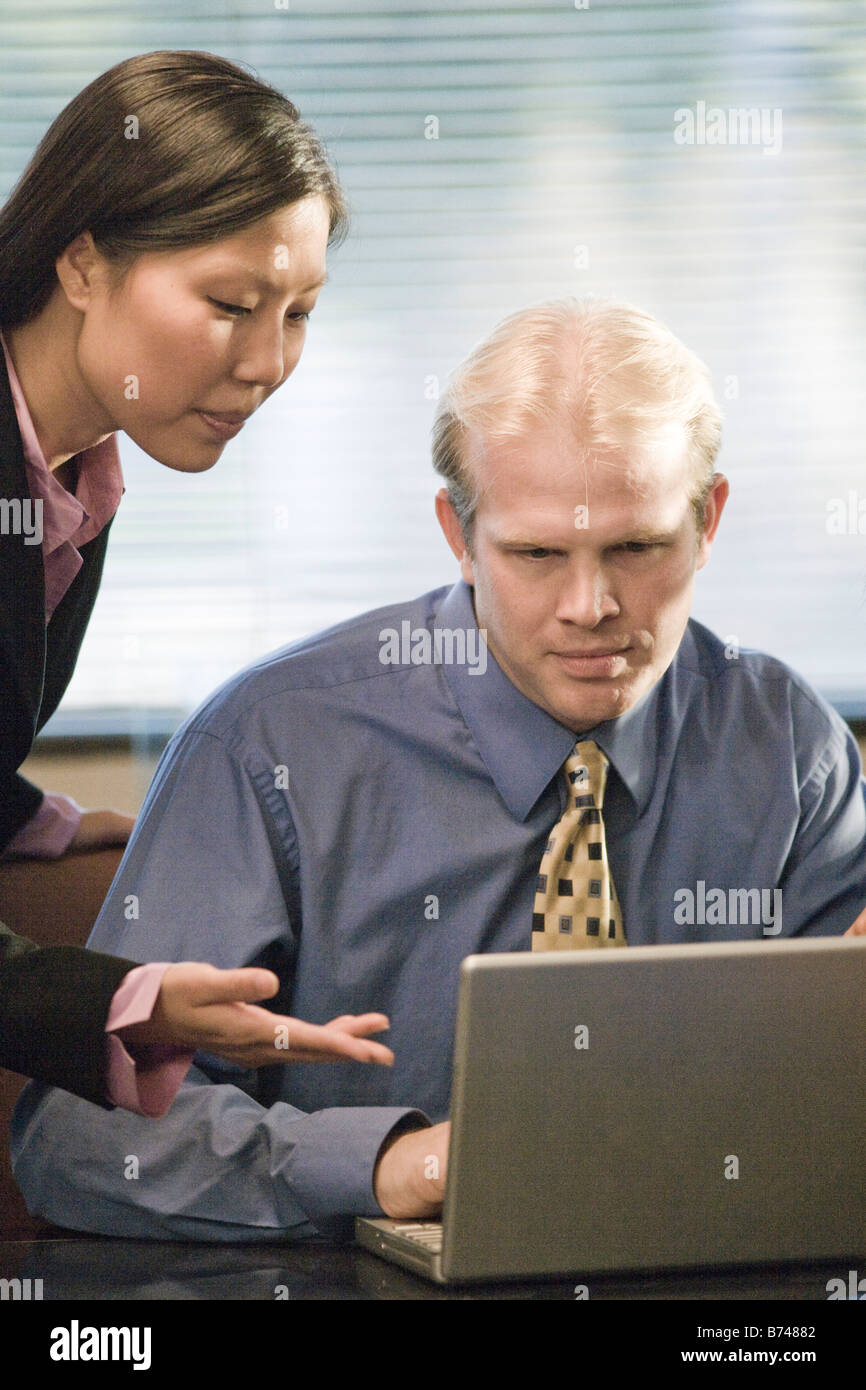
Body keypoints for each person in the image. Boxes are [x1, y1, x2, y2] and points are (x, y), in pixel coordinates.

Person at [11, 297, 866, 1237]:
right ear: (458, 537)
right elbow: (76, 1140)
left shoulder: (788, 749)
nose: (592, 606)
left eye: (638, 547)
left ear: (708, 520)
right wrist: (385, 1165)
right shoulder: (274, 746)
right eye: (537, 553)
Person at [0, 49, 394, 1110]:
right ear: (81, 265)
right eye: (230, 301)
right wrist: (123, 1004)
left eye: (298, 312)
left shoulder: (76, 468)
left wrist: (29, 816)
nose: (267, 362)